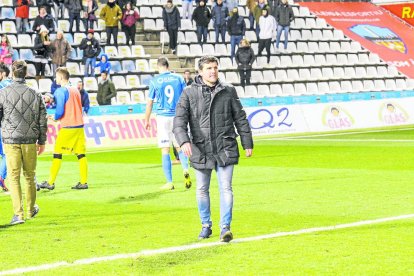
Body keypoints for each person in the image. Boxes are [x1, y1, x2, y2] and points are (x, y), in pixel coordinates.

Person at [173, 55, 253, 242]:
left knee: (226, 188)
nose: (213, 71)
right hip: (200, 148)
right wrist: (184, 141)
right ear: (200, 72)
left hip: (225, 146)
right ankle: (205, 225)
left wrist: (247, 142)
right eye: (209, 68)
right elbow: (179, 121)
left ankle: (225, 227)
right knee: (202, 189)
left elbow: (240, 118)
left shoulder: (229, 91)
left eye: (215, 67)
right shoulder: (188, 93)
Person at [0, 60, 47, 225]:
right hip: (29, 140)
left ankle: (18, 215)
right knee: (30, 175)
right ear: (25, 73)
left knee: (13, 177)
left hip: (10, 140)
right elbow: (42, 119)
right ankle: (30, 209)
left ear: (12, 73)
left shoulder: (3, 93)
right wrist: (42, 140)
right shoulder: (35, 93)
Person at [144, 57, 191, 190]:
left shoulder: (154, 81)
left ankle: (169, 182)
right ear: (168, 66)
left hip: (163, 117)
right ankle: (185, 169)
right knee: (180, 146)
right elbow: (187, 96)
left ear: (158, 66)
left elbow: (150, 103)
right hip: (178, 116)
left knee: (165, 149)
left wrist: (146, 120)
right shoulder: (178, 78)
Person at [38, 67, 88, 191]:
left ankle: (50, 182)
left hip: (68, 126)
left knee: (57, 153)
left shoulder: (61, 91)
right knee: (81, 154)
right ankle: (83, 181)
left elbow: (60, 111)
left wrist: (54, 117)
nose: (55, 79)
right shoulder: (75, 89)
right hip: (79, 126)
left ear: (61, 77)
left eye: (56, 77)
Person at [0, 63, 13, 193]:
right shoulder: (13, 85)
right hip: (7, 125)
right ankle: (1, 177)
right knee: (6, 154)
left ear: (2, 74)